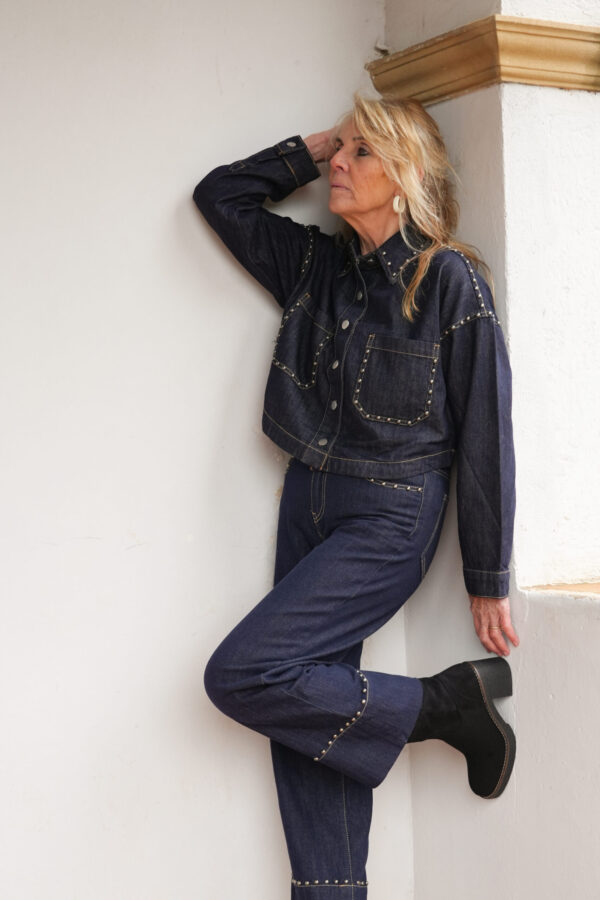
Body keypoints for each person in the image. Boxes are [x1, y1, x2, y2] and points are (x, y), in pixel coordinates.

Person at [194, 94, 518, 897]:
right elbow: (220, 196)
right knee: (311, 720)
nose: (339, 163)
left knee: (243, 674)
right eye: (340, 149)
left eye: (361, 152)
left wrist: (487, 575)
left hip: (389, 517)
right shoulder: (316, 267)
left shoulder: (450, 281)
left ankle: (445, 705)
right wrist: (312, 148)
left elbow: (486, 430)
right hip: (306, 503)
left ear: (406, 175)